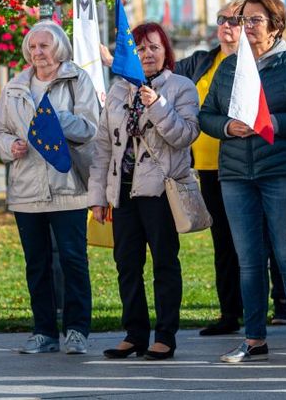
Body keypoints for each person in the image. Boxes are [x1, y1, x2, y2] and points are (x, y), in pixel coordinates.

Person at [199, 0, 286, 365]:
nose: (246, 27)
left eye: (255, 20)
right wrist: (226, 126)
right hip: (236, 176)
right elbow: (206, 116)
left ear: (275, 26)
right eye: (243, 21)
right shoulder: (228, 68)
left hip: (280, 173)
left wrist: (270, 124)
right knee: (249, 261)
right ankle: (254, 340)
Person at [89, 22, 200, 361]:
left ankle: (165, 335)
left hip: (160, 192)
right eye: (139, 49)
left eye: (154, 47)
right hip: (122, 191)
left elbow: (185, 136)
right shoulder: (119, 90)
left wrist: (157, 105)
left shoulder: (181, 87)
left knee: (165, 262)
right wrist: (97, 197)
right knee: (126, 264)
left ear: (166, 51)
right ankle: (134, 333)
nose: (147, 54)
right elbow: (103, 146)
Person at [0, 21, 100, 356]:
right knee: (36, 264)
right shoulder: (14, 88)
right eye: (34, 47)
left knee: (72, 260)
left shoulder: (77, 80)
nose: (38, 53)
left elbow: (90, 128)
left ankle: (77, 331)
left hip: (67, 185)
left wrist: (53, 120)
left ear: (59, 48)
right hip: (27, 191)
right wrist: (10, 145)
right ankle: (43, 332)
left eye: (45, 46)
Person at [174, 3, 245, 336]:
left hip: (245, 164)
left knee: (258, 239)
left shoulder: (255, 61)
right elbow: (160, 68)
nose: (227, 26)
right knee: (224, 241)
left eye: (235, 20)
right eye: (222, 20)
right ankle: (230, 313)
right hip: (207, 167)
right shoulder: (203, 60)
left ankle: (282, 307)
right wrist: (112, 59)